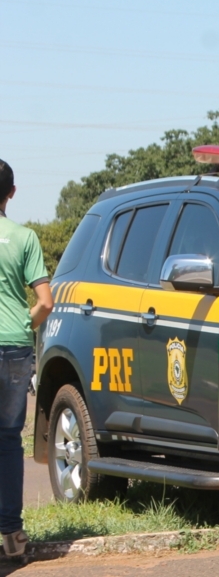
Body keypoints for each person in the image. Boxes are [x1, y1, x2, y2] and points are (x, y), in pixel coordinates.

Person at [0, 160, 52, 557]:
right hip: (15, 348)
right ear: (11, 193)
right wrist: (24, 323)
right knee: (8, 439)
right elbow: (45, 302)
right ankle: (12, 537)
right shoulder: (25, 237)